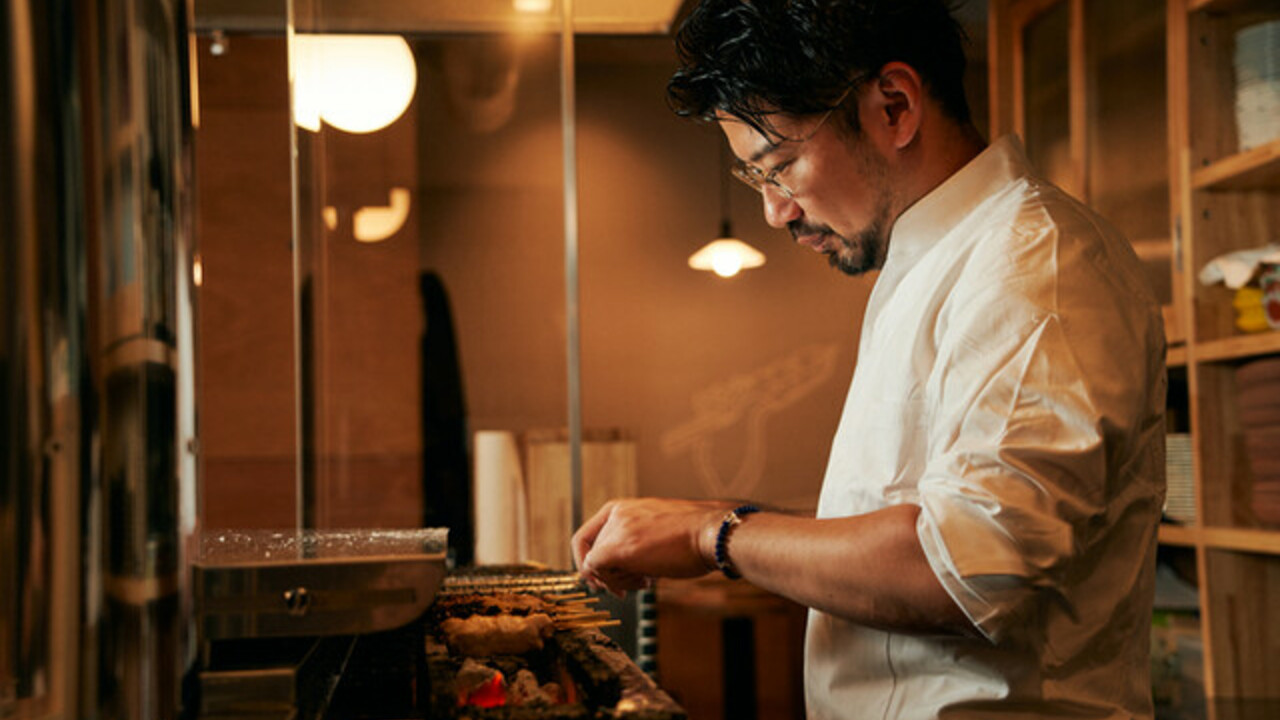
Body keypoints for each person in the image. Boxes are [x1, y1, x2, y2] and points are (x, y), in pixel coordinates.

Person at [571, 0, 1168, 718]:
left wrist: (713, 535)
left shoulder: (1033, 266)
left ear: (894, 106)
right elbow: (910, 516)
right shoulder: (935, 263)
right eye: (755, 180)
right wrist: (713, 517)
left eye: (781, 165)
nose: (776, 211)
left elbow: (964, 569)